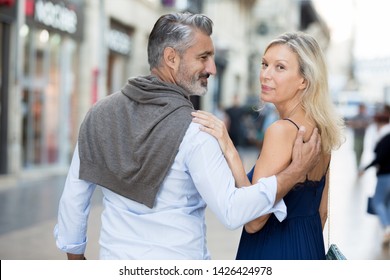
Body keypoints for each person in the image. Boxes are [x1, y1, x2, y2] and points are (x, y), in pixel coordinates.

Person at [54, 13, 321, 260]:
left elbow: (73, 199)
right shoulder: (196, 131)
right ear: (171, 58)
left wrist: (75, 258)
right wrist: (293, 173)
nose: (212, 68)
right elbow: (232, 212)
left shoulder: (98, 114)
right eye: (203, 57)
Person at [192, 31, 345, 259]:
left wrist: (229, 148)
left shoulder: (282, 131)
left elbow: (253, 221)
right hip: (310, 248)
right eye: (264, 64)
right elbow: (321, 213)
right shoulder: (321, 131)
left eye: (280, 67)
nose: (265, 75)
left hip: (271, 250)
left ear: (304, 80)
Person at [360, 109, 390, 246]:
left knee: (377, 202)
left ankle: (387, 227)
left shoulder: (384, 138)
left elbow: (379, 158)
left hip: (385, 175)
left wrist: (365, 169)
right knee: (387, 204)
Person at [347, 103, 371, 168]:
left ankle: (359, 163)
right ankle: (358, 164)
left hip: (363, 136)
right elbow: (350, 124)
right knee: (357, 150)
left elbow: (367, 124)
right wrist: (358, 125)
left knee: (361, 150)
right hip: (356, 136)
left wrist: (360, 125)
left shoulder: (366, 117)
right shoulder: (355, 117)